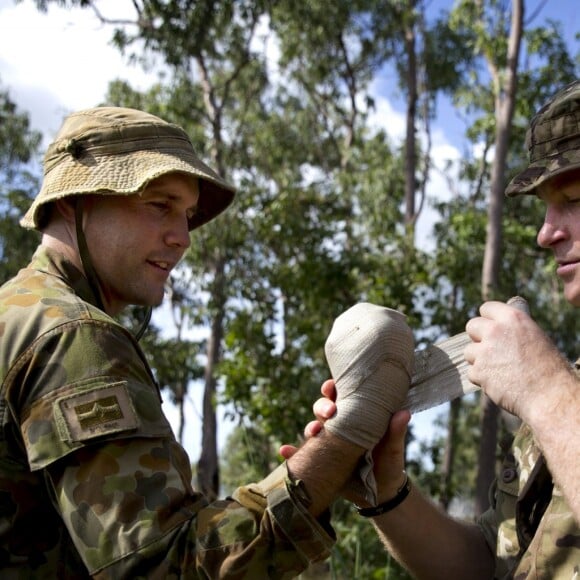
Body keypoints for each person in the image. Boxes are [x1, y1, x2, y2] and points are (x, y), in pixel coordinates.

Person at [0, 106, 386, 578]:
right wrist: (344, 440)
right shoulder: (72, 335)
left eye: (186, 215)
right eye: (159, 205)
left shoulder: (16, 313)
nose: (183, 237)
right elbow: (167, 566)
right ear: (72, 200)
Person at [282, 80, 580, 578]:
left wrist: (546, 393)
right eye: (546, 207)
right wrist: (387, 491)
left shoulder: (557, 397)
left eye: (572, 197)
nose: (546, 232)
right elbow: (489, 564)